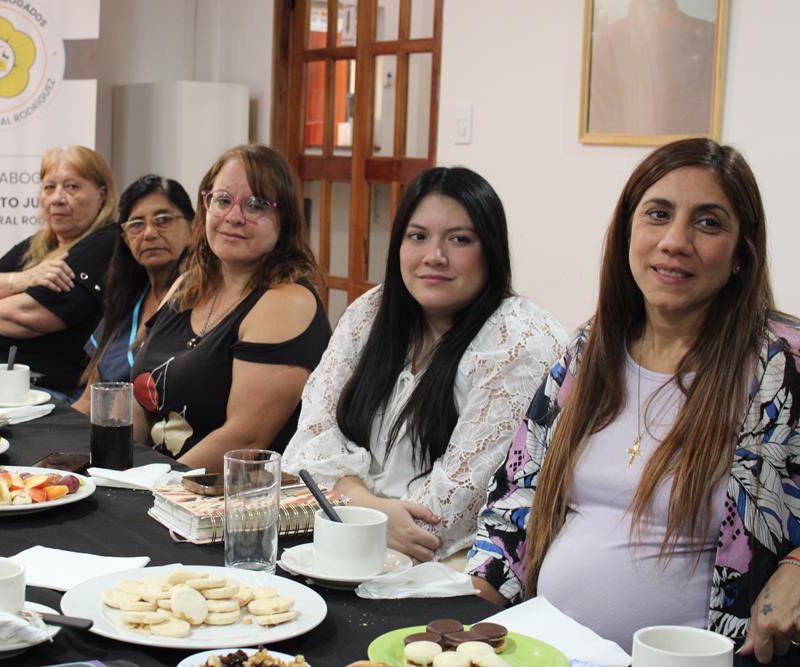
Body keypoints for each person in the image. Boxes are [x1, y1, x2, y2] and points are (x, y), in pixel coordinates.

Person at [466, 138, 800, 662]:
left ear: (742, 252)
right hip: (542, 650)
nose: (675, 241)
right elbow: (517, 492)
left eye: (708, 222)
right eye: (658, 214)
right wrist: (470, 615)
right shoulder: (590, 350)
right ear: (628, 231)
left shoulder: (782, 365)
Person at [282, 167, 567, 562]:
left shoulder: (519, 341)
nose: (435, 257)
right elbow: (310, 441)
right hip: (344, 546)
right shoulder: (372, 311)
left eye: (459, 240)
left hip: (450, 570)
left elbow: (442, 516)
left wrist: (343, 502)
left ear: (491, 250)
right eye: (418, 237)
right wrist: (366, 505)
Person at [130, 144, 331, 472]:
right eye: (223, 200)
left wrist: (153, 486)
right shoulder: (186, 286)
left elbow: (245, 439)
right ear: (206, 206)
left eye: (256, 205)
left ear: (285, 220)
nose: (234, 217)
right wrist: (116, 471)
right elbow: (139, 405)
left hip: (224, 492)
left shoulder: (287, 302)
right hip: (156, 478)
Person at [0, 145, 119, 401]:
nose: (57, 198)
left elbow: (31, 316)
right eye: (49, 187)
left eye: (72, 187)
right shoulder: (41, 243)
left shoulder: (105, 242)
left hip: (43, 390)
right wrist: (24, 279)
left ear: (102, 194)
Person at [71, 174, 194, 415]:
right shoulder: (125, 303)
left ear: (194, 227)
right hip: (104, 429)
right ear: (126, 239)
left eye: (163, 220)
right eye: (136, 224)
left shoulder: (204, 303)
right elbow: (88, 402)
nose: (149, 233)